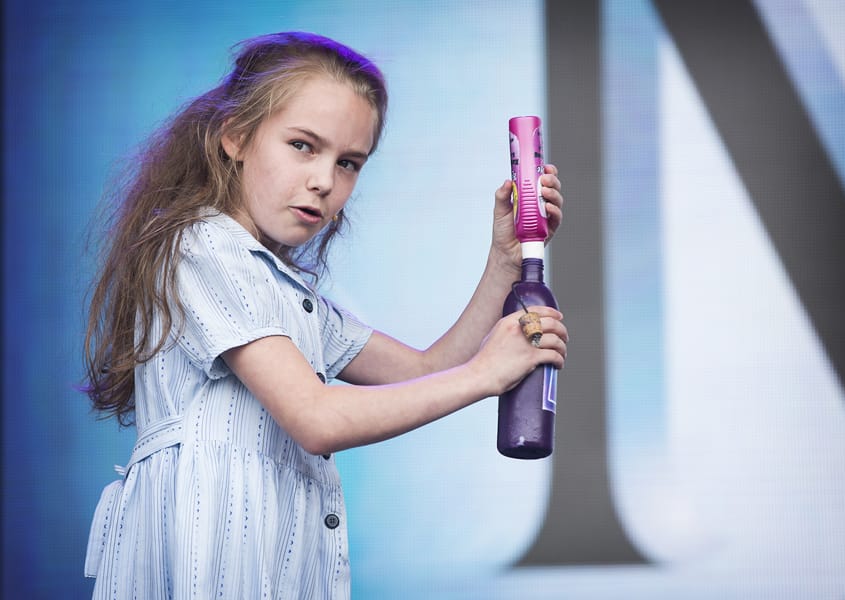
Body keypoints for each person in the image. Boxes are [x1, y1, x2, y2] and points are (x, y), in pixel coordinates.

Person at [82, 31, 566, 599]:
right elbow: (316, 418)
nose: (324, 181)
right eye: (303, 146)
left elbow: (424, 372)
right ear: (234, 137)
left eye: (349, 163)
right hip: (208, 564)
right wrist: (485, 376)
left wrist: (504, 259)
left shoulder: (282, 289)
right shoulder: (205, 248)